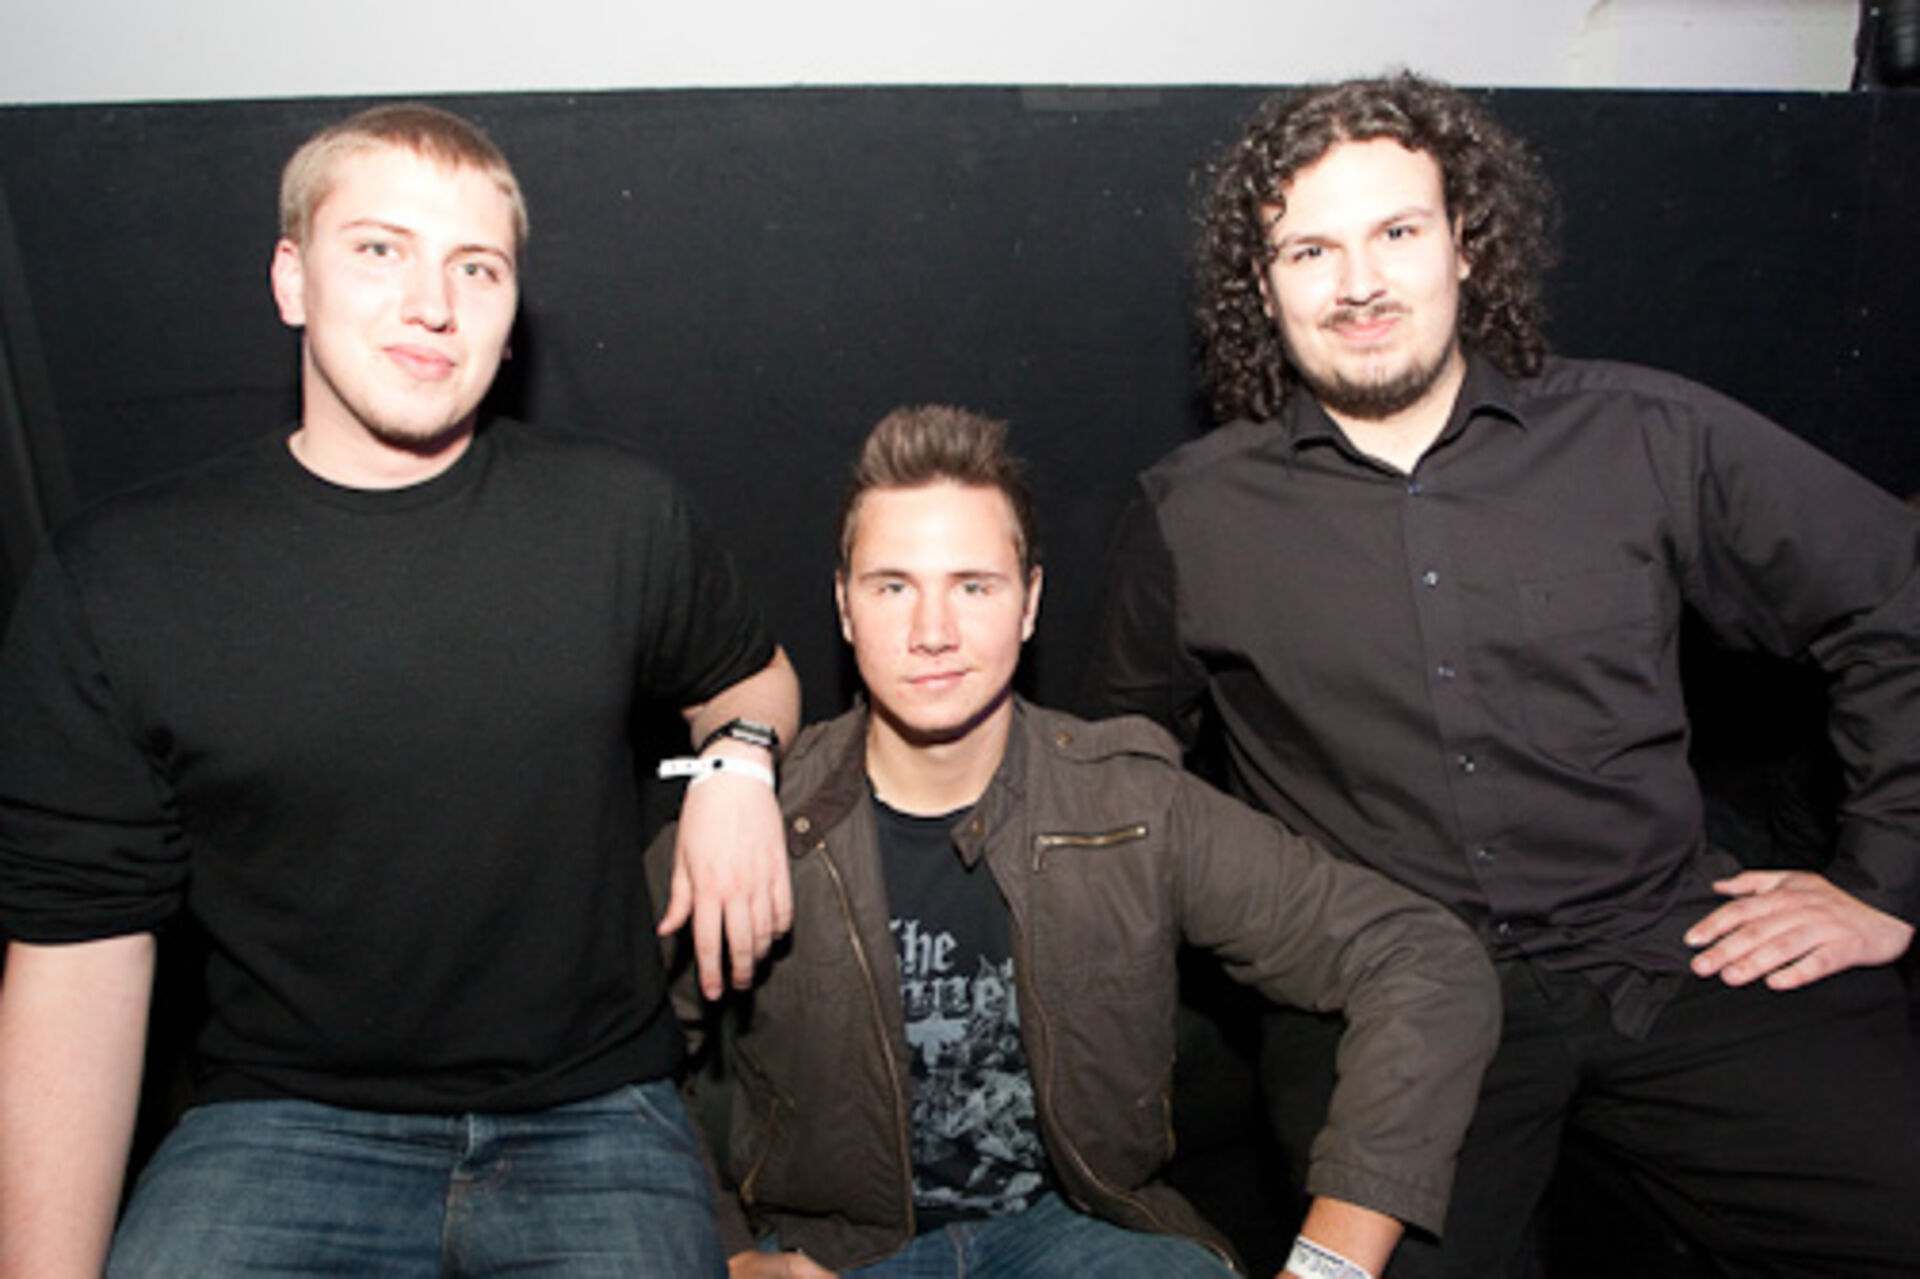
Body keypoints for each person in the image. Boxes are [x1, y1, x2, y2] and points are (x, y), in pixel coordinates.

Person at [1082, 72, 1920, 1278]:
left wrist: (1885, 878)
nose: (1359, 283)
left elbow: (1891, 590)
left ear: (1465, 244)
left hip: (1673, 953)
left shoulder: (1643, 435)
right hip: (1386, 1002)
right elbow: (1120, 768)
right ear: (1262, 287)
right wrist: (1260, 933)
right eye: (1310, 250)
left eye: (1397, 232)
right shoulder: (1191, 515)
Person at [0, 103, 799, 1278]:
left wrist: (737, 760)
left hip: (593, 1115)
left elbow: (753, 676)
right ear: (292, 279)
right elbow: (77, 963)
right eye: (380, 248)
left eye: (477, 267)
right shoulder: (123, 576)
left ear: (513, 315)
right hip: (277, 1124)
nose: (434, 304)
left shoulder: (616, 515)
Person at [652, 405, 1500, 1279]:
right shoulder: (754, 820)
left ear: (1030, 604)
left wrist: (1327, 1269)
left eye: (974, 586)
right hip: (840, 1256)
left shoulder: (1129, 804)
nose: (932, 631)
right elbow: (616, 1059)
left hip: (1082, 1239)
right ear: (843, 605)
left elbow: (1422, 958)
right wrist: (724, 1253)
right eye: (893, 586)